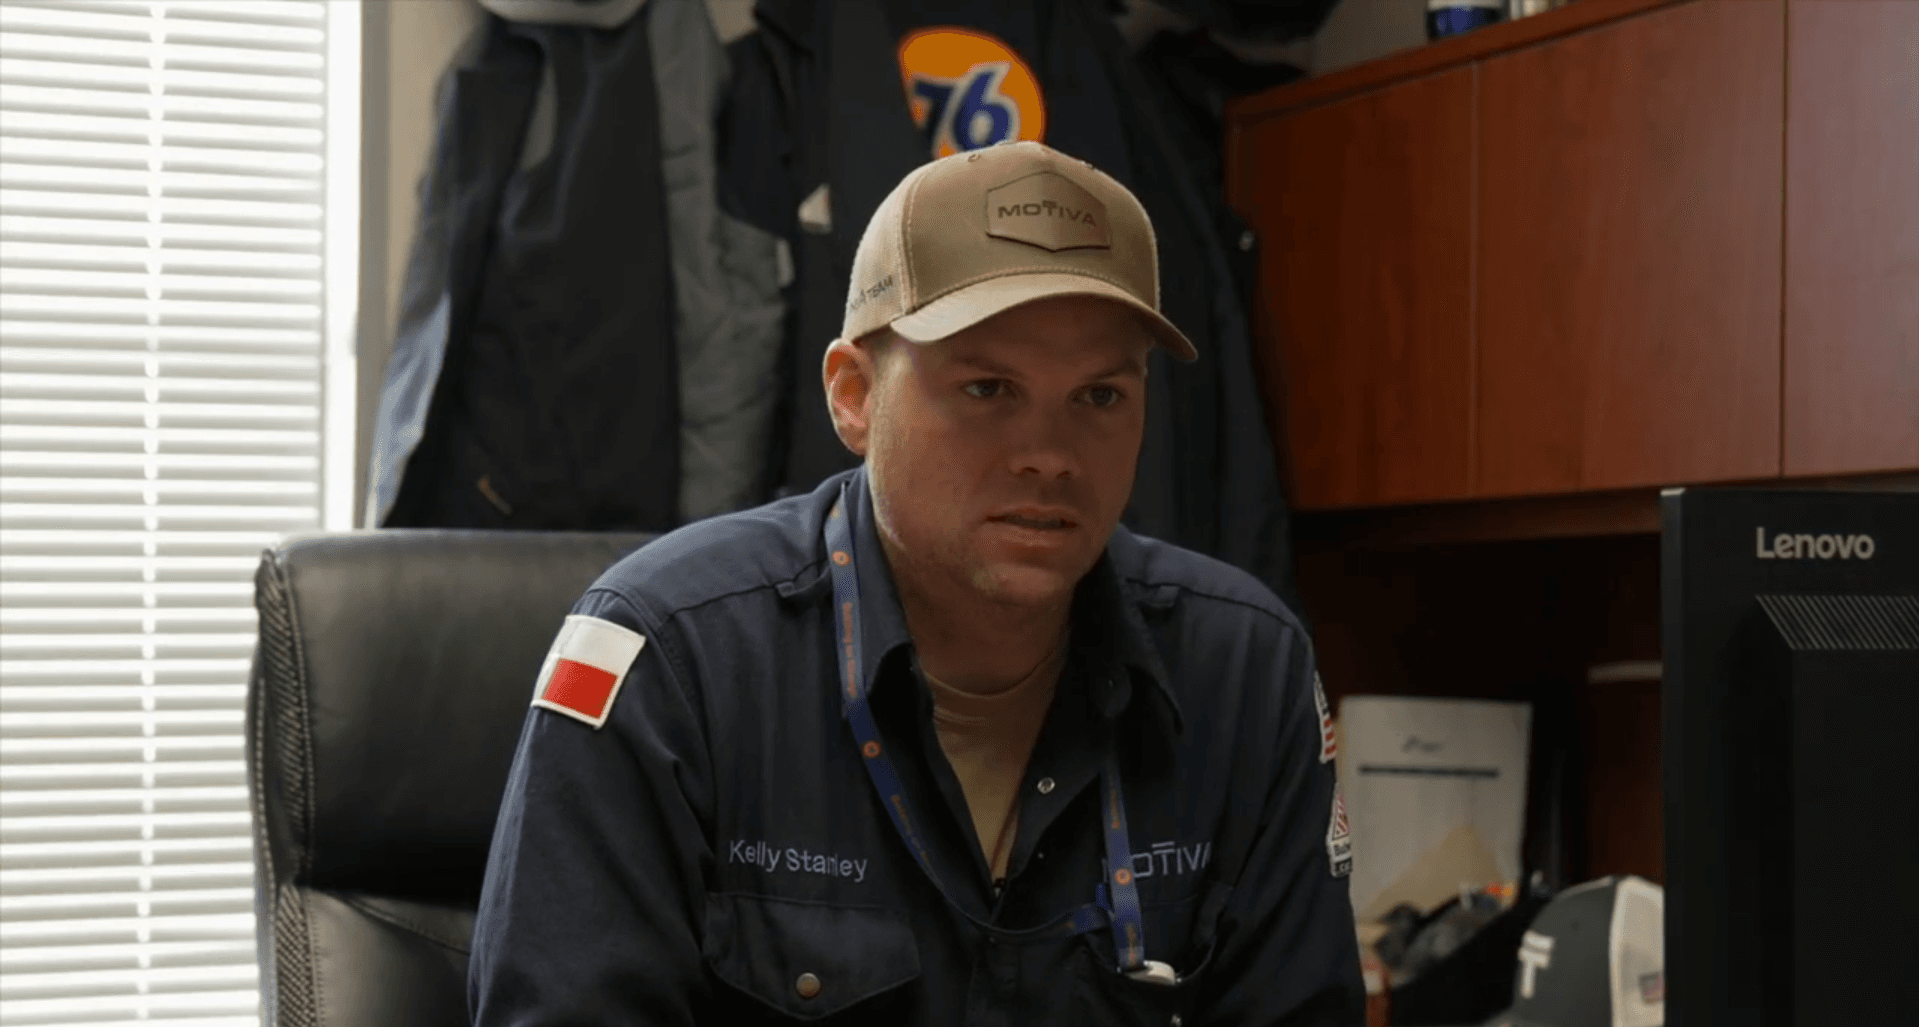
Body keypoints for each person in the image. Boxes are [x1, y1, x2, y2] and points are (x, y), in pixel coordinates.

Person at [469, 140, 1363, 1026]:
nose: (1049, 457)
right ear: (853, 395)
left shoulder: (1247, 670)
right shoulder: (667, 658)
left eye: (1098, 397)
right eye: (987, 388)